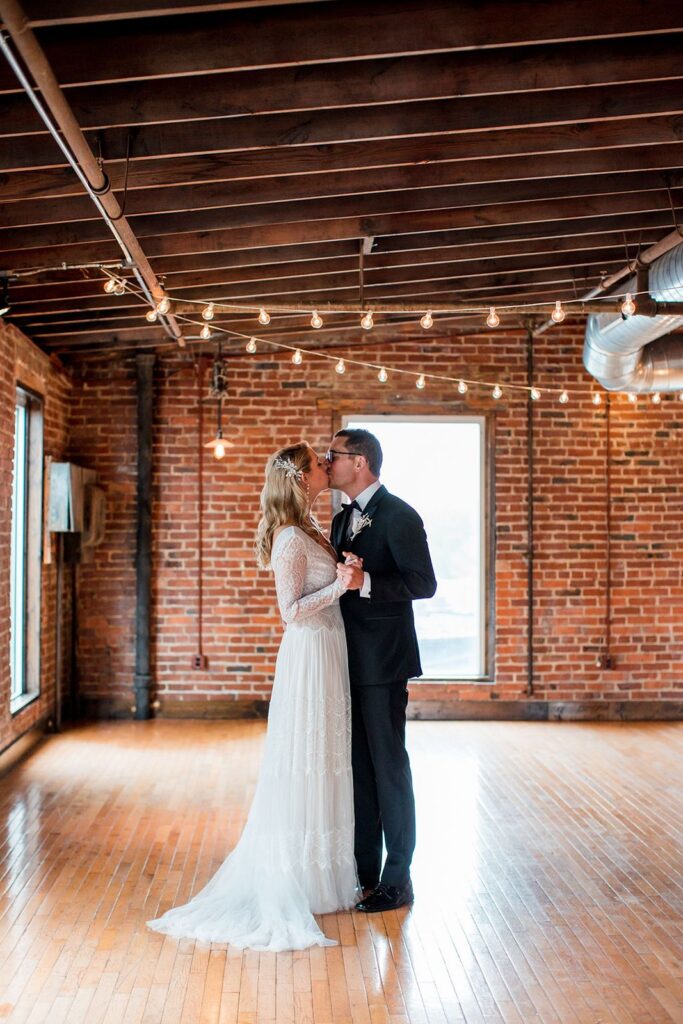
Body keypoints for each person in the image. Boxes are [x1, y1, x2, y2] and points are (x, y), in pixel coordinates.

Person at [147, 442, 359, 951]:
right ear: (299, 478)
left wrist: (341, 568)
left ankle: (325, 877)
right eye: (316, 464)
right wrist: (341, 587)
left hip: (328, 650)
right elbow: (291, 610)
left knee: (326, 757)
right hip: (308, 654)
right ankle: (299, 878)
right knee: (306, 759)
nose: (324, 468)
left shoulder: (309, 527)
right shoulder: (288, 537)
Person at [328, 428, 436, 913]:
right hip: (346, 659)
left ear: (361, 462)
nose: (327, 461)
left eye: (334, 455)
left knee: (390, 768)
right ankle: (364, 870)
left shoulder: (401, 515)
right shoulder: (340, 519)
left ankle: (398, 880)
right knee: (360, 770)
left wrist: (365, 580)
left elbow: (423, 584)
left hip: (385, 662)